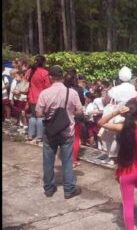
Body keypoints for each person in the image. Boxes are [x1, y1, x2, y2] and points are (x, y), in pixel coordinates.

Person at [98, 99, 137, 230]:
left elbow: (101, 122)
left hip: (126, 171)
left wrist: (116, 112)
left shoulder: (121, 127)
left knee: (128, 204)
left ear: (126, 113)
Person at [35, 65, 83, 199]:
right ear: (62, 77)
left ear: (50, 77)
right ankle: (69, 190)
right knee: (67, 161)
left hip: (50, 132)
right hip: (67, 131)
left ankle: (49, 189)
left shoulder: (45, 93)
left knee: (48, 160)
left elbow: (39, 113)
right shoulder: (72, 92)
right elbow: (79, 111)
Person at [26, 55, 51, 142]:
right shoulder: (44, 73)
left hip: (31, 97)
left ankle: (30, 135)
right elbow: (47, 87)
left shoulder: (29, 71)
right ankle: (39, 137)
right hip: (41, 98)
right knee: (40, 116)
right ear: (43, 63)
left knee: (33, 116)